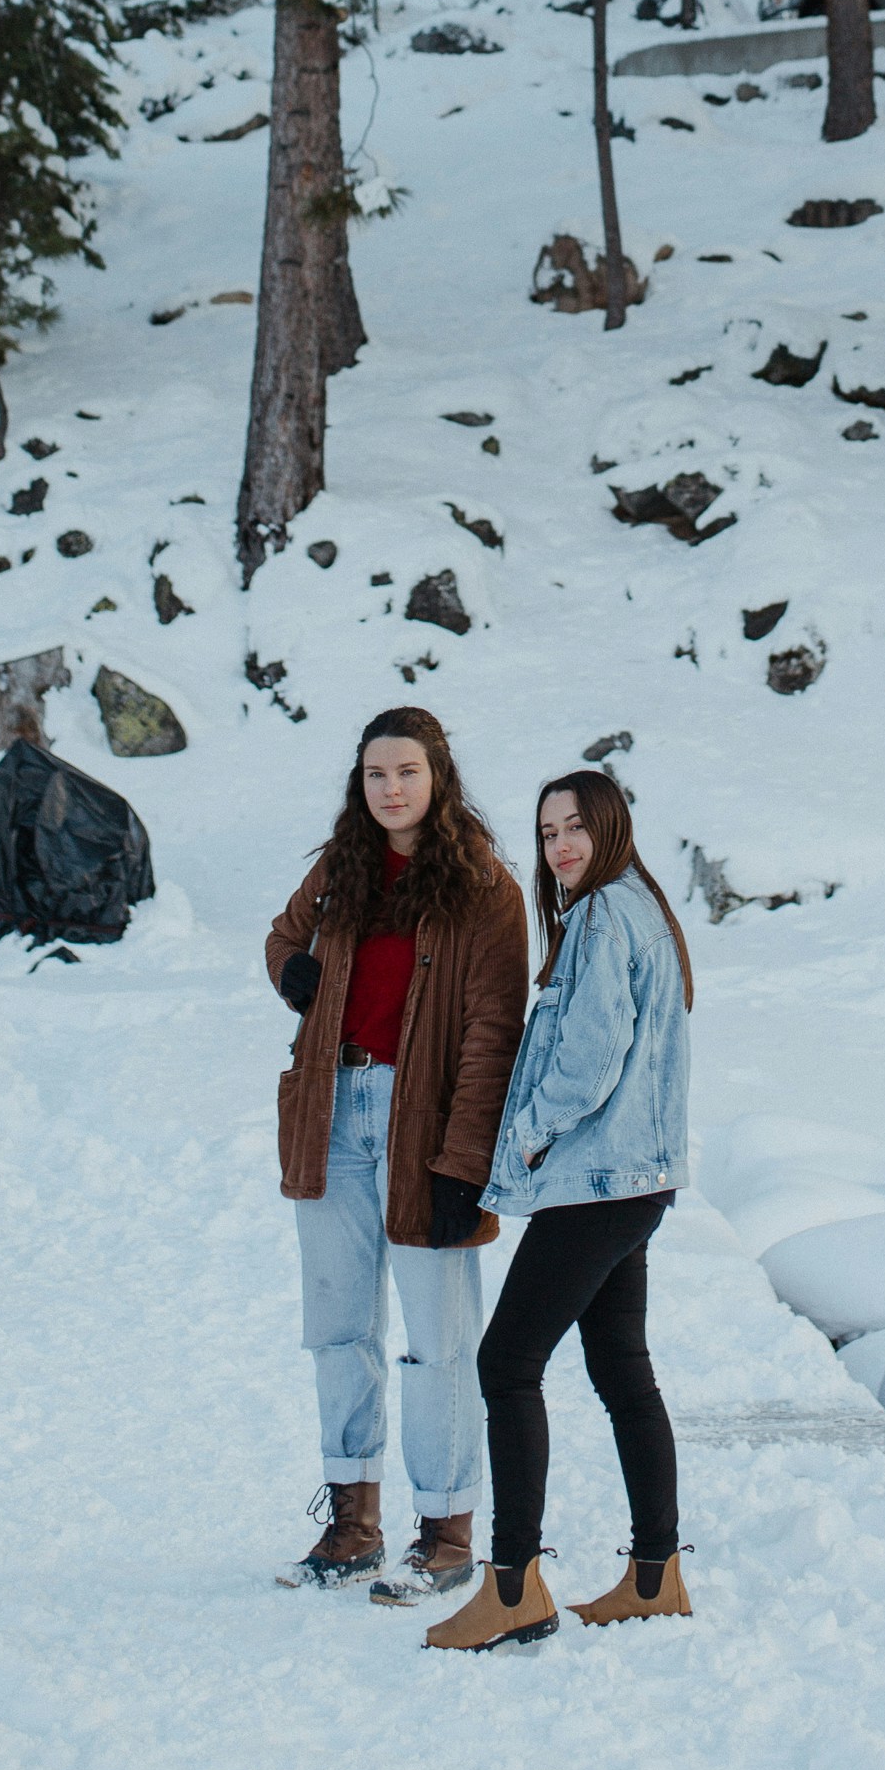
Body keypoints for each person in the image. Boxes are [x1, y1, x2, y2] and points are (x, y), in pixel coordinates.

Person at [425, 768, 693, 1654]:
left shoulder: (608, 914)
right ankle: (655, 1576)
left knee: (506, 1363)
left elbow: (591, 1053)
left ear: (611, 825)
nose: (562, 846)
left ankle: (513, 1588)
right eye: (548, 834)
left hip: (600, 1180)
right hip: (632, 1178)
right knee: (621, 1370)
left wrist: (532, 1133)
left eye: (576, 826)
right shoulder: (635, 909)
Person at [266, 706, 528, 1601]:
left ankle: (447, 1531)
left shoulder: (486, 888)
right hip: (330, 1117)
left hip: (423, 1129)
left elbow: (494, 1035)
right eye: (376, 774)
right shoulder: (340, 873)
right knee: (339, 1332)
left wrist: (464, 1165)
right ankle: (352, 1526)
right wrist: (291, 973)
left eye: (407, 772)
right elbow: (282, 936)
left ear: (440, 777)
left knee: (438, 1340)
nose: (391, 789)